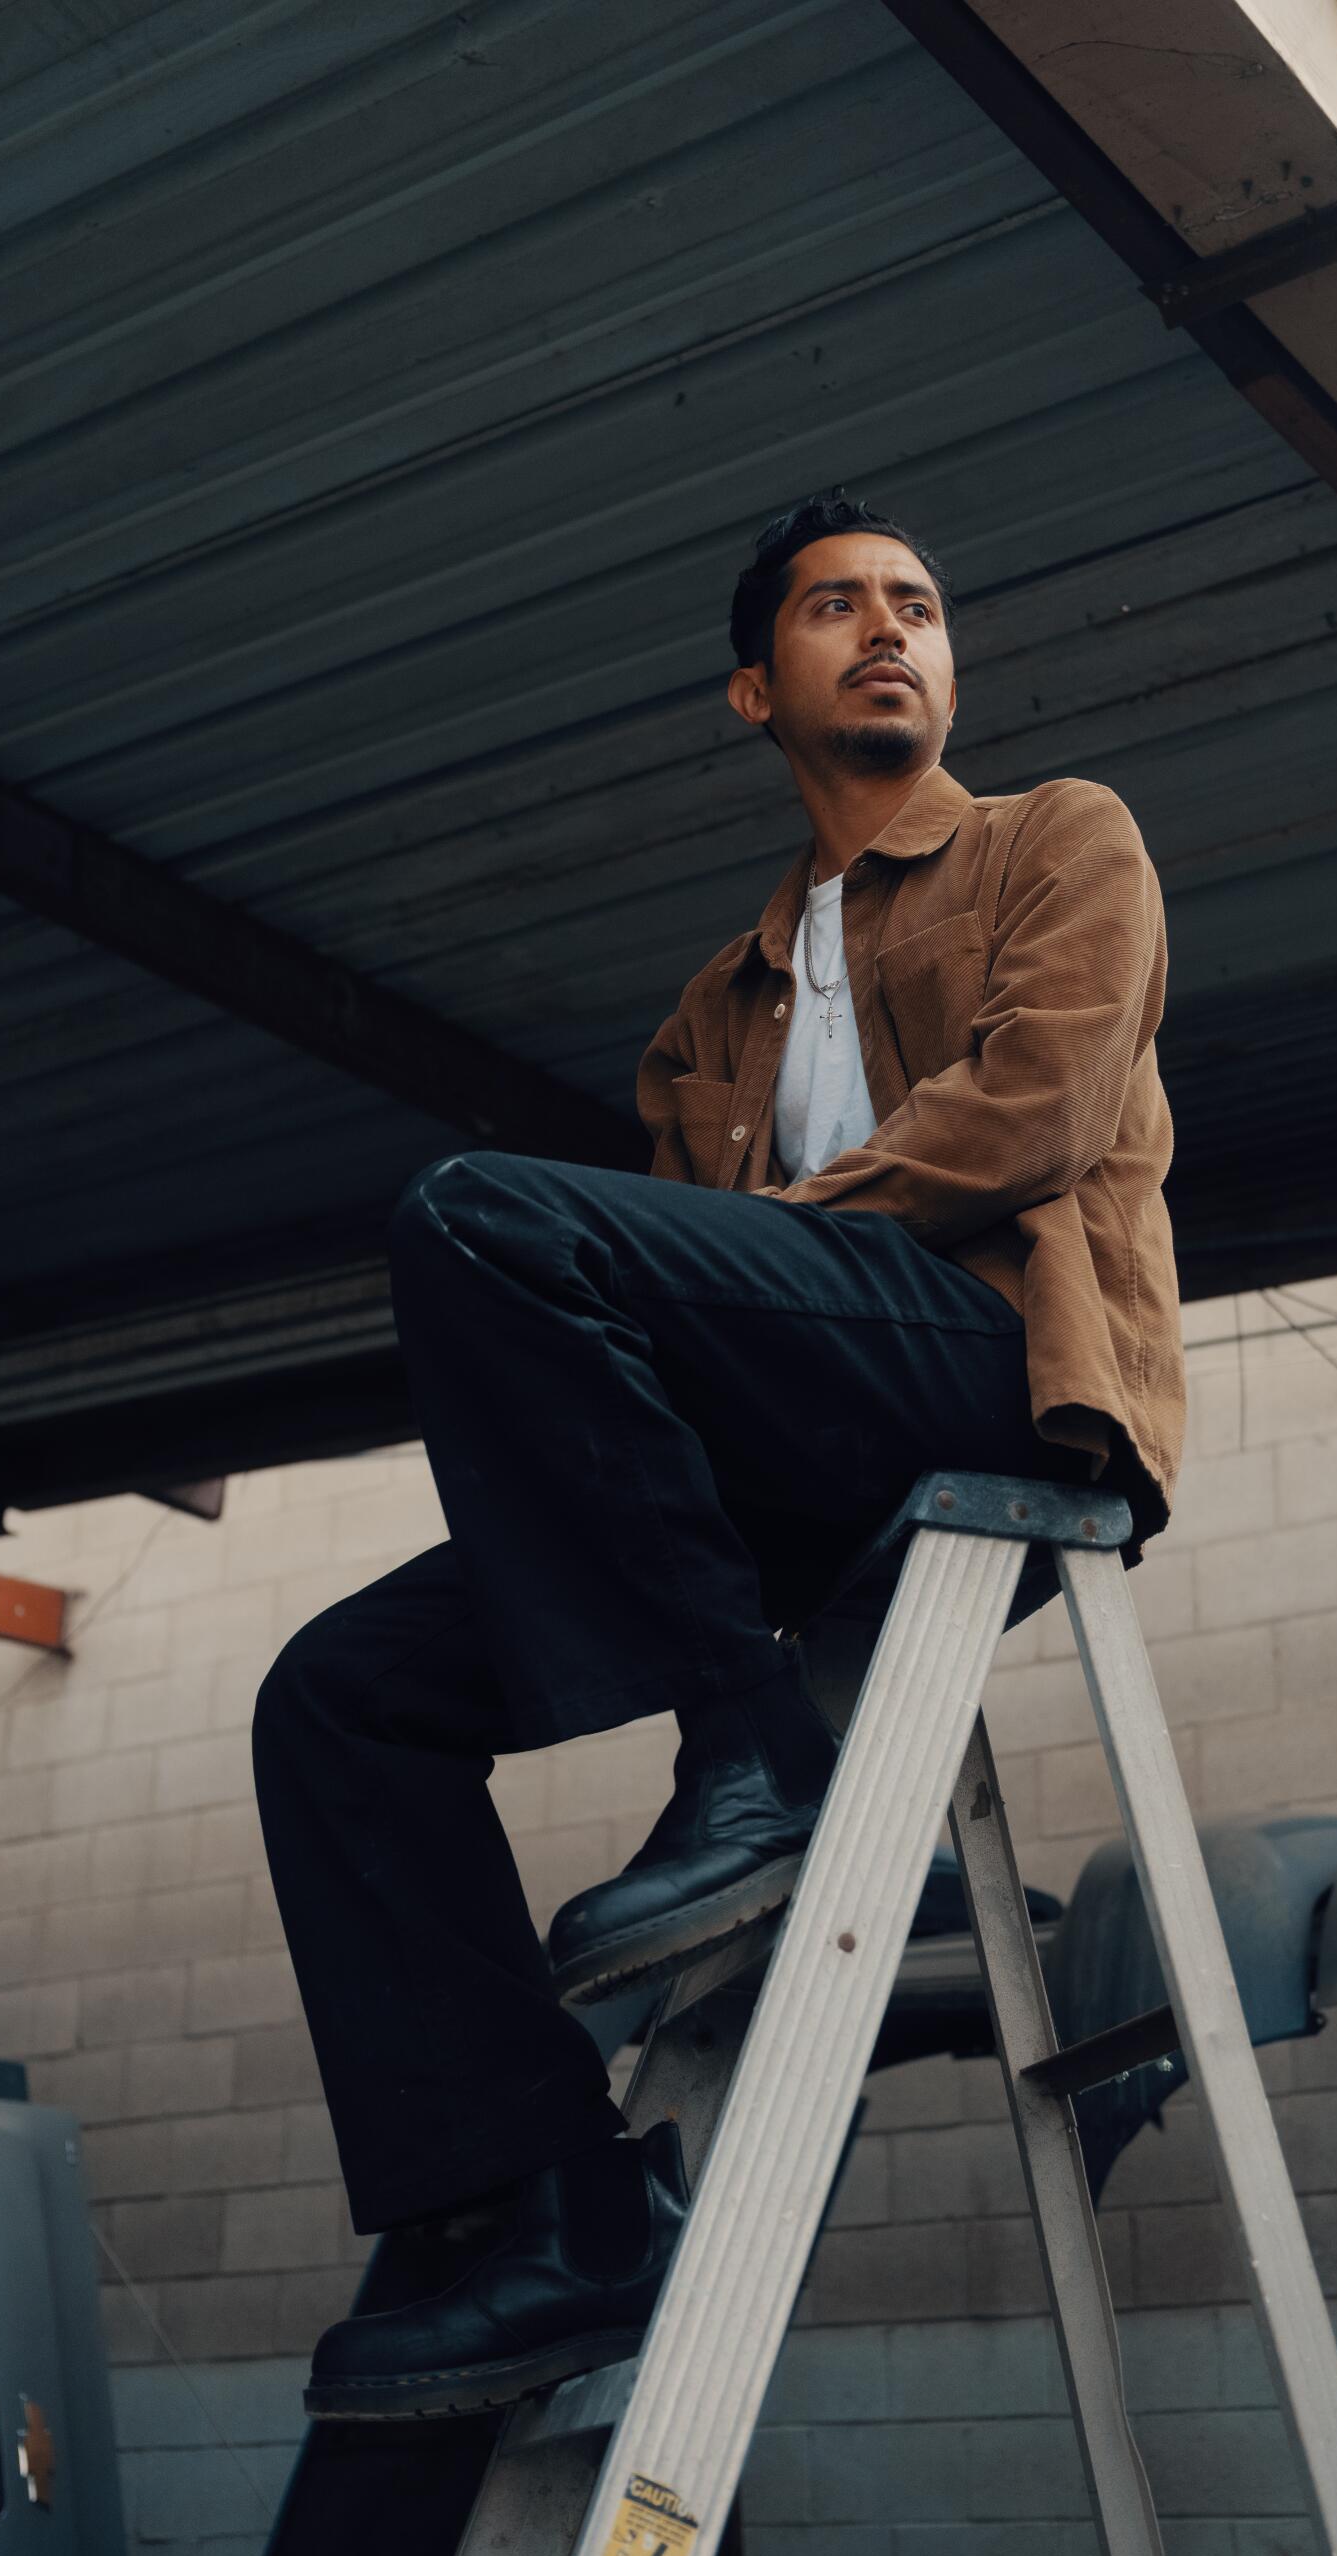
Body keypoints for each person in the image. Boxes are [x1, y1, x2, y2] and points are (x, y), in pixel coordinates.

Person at [252, 490, 1184, 2418]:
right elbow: (647, 1342)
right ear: (754, 691)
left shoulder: (1053, 840)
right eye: (839, 609)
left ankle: (752, 1765)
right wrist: (676, 1364)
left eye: (919, 604)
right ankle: (549, 2214)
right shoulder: (714, 1011)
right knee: (337, 1699)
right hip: (776, 1462)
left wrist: (779, 1247)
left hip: (991, 1366)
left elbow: (1037, 1115)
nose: (891, 630)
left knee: (484, 1212)